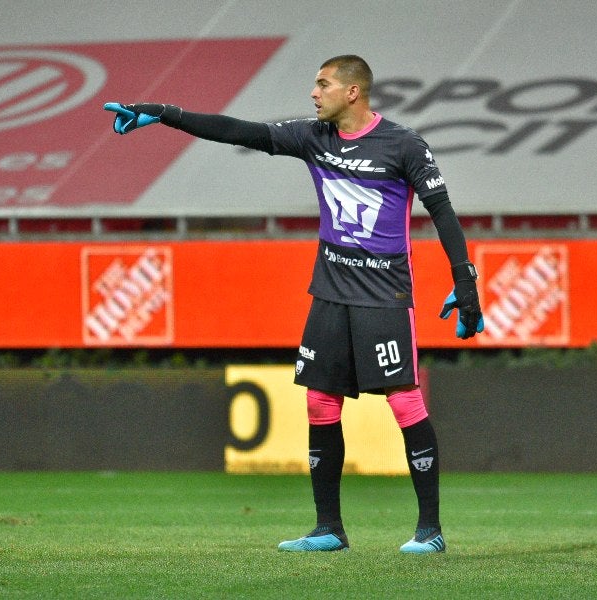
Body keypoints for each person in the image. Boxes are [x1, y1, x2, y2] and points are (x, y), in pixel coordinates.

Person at [105, 54, 483, 554]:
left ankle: (429, 531)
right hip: (329, 291)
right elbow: (241, 132)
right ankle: (329, 529)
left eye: (322, 84)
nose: (313, 92)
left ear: (352, 92)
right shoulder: (313, 137)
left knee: (404, 401)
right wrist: (164, 112)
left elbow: (443, 212)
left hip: (383, 294)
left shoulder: (404, 144)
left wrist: (465, 280)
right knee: (319, 401)